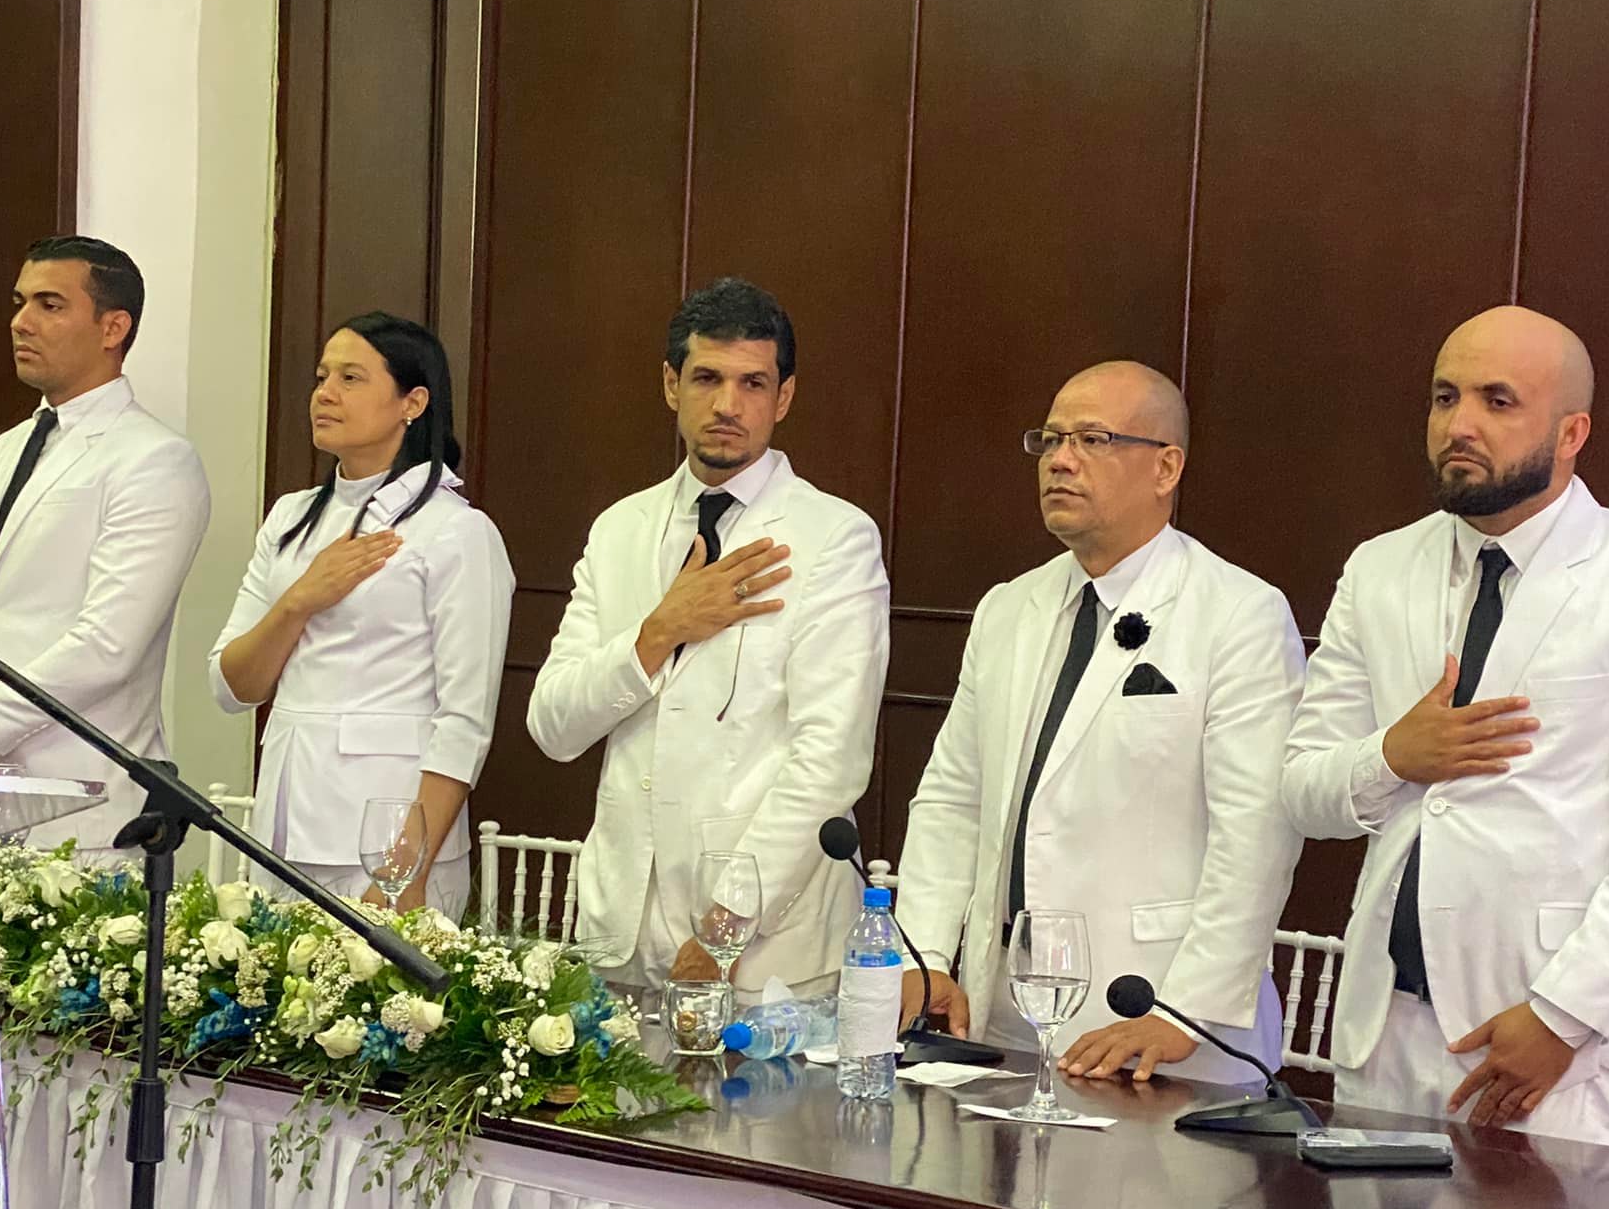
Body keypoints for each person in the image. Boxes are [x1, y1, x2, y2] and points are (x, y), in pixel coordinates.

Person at [1281, 305, 1609, 1151]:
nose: (1459, 425)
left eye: (1497, 401)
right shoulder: (1379, 568)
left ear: (1572, 433)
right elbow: (1304, 793)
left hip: (1550, 1049)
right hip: (1382, 1037)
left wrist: (1562, 1017)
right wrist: (1393, 757)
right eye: (1444, 397)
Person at [895, 362, 1305, 1085]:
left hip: (1155, 1015)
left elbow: (1256, 834)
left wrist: (1184, 1012)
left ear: (1165, 468)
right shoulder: (1008, 609)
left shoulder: (1239, 613)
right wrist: (924, 956)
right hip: (1007, 1007)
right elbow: (953, 798)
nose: (1060, 459)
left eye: (1092, 439)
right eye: (1051, 439)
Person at [526, 277, 889, 992]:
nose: (728, 405)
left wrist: (727, 924)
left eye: (753, 383)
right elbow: (553, 725)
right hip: (621, 931)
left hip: (765, 949)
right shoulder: (621, 528)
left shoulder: (834, 537)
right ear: (671, 385)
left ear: (784, 397)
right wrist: (661, 629)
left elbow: (830, 759)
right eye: (707, 379)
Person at [0, 235, 212, 850]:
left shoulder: (154, 458)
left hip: (77, 795)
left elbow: (108, 643)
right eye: (19, 302)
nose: (21, 322)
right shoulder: (5, 450)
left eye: (49, 305)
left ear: (113, 328)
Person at [210, 312, 512, 918]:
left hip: (390, 840)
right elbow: (232, 686)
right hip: (283, 829)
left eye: (351, 378)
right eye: (322, 376)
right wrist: (299, 601)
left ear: (413, 403)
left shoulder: (456, 530)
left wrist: (406, 867)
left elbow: (465, 720)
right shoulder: (290, 517)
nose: (325, 392)